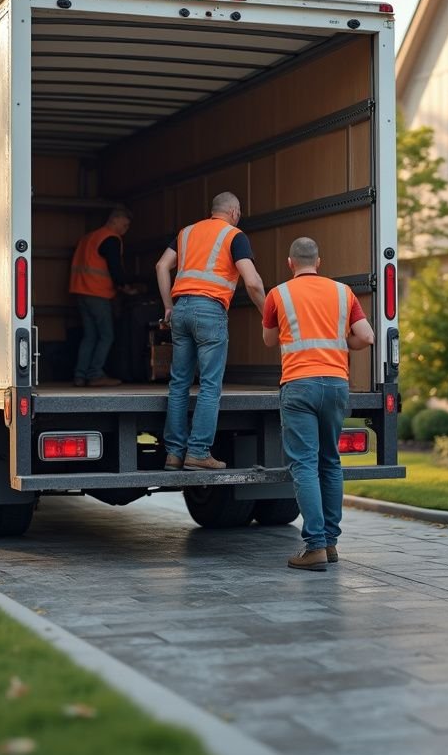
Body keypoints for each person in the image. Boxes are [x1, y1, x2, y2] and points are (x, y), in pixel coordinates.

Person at [262, 237, 374, 571]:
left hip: (299, 385)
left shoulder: (278, 294)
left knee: (305, 466)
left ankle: (314, 547)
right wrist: (340, 342)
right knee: (330, 462)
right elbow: (366, 336)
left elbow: (269, 340)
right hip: (336, 384)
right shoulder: (343, 293)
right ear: (319, 262)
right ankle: (330, 543)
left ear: (290, 263)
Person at [156, 192, 266, 470]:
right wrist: (268, 314)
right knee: (209, 385)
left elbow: (161, 266)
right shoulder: (234, 236)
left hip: (180, 310)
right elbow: (252, 282)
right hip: (209, 312)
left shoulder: (186, 233)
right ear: (234, 211)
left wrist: (168, 306)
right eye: (238, 212)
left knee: (179, 384)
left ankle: (174, 454)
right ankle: (198, 452)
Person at [69, 207, 133, 387]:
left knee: (90, 336)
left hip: (81, 292)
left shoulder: (88, 238)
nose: (126, 229)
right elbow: (115, 267)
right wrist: (124, 286)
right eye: (125, 224)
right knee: (106, 335)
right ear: (116, 219)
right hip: (97, 293)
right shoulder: (110, 238)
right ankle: (95, 374)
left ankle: (80, 375)